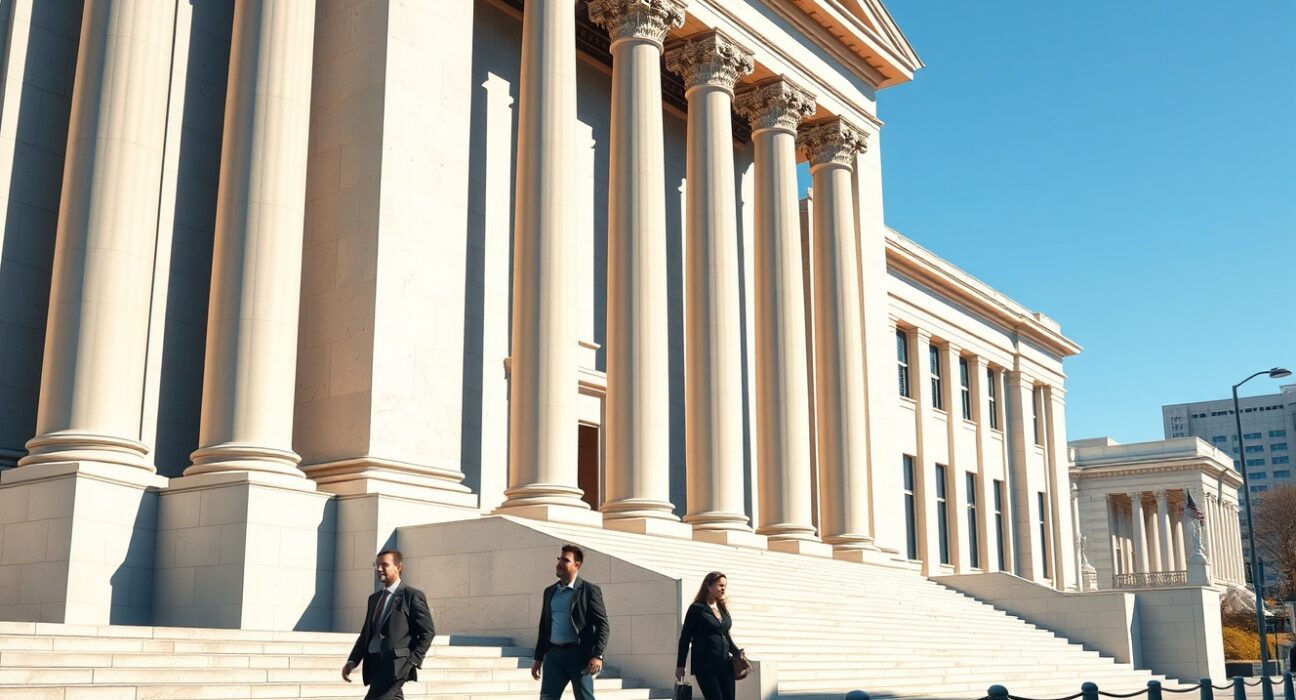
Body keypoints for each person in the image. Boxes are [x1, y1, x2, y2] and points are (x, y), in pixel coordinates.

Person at [342, 549, 435, 700]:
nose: (379, 569)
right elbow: (366, 633)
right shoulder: (374, 599)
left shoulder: (411, 596)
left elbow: (428, 632)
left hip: (396, 667)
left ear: (398, 567)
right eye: (376, 565)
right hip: (374, 665)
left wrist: (413, 660)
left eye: (384, 565)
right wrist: (353, 660)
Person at [531, 544, 610, 700]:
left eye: (565, 560)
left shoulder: (589, 591)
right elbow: (544, 627)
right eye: (559, 559)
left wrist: (597, 655)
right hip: (553, 656)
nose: (559, 563)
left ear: (577, 565)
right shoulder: (549, 592)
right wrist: (538, 658)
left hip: (578, 656)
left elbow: (603, 625)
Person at [676, 572, 740, 700]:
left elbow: (725, 634)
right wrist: (680, 665)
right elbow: (685, 638)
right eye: (720, 585)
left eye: (725, 586)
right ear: (708, 586)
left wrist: (737, 652)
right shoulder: (696, 609)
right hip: (705, 665)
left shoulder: (722, 608)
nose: (723, 588)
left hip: (725, 664)